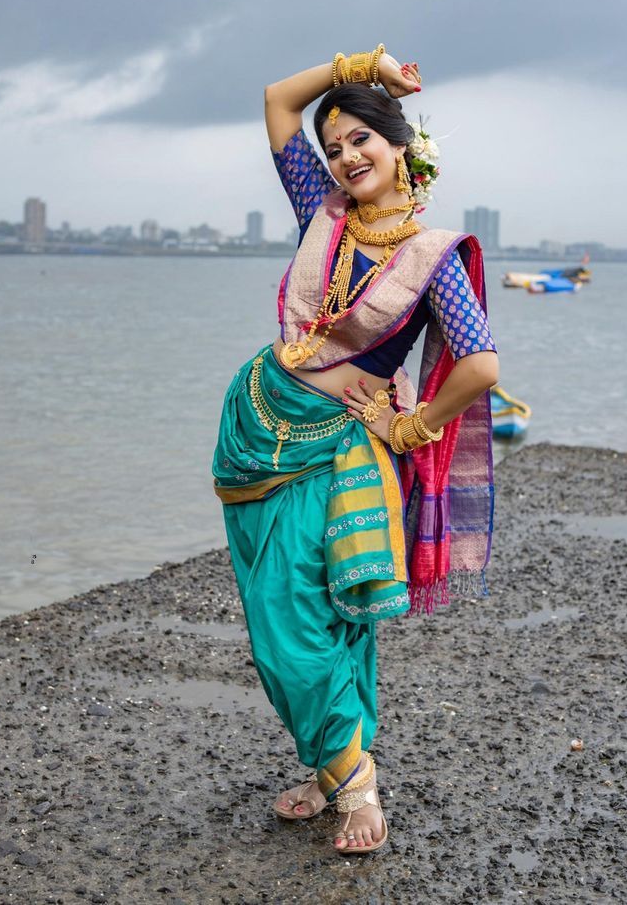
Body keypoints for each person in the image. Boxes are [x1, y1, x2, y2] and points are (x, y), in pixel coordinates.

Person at [213, 45, 498, 855]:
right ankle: (327, 762)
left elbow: (479, 364)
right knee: (295, 610)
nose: (345, 157)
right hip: (254, 433)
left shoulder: (432, 257)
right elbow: (276, 103)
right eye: (334, 146)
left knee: (299, 623)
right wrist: (360, 62)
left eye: (361, 139)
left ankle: (355, 779)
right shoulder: (324, 214)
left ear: (401, 145)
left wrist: (409, 426)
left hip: (336, 451)